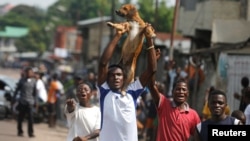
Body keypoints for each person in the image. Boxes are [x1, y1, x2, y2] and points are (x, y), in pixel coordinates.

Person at [97, 24, 157, 141]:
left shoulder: (132, 92)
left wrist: (149, 39)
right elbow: (103, 64)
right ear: (107, 79)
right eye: (112, 75)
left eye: (119, 75)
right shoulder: (104, 91)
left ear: (124, 78)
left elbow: (152, 70)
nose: (115, 78)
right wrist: (118, 35)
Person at [148, 76, 200, 141]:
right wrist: (152, 70)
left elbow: (198, 136)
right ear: (172, 92)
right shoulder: (164, 104)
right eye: (178, 89)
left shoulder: (193, 115)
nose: (181, 91)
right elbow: (152, 87)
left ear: (188, 93)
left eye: (184, 89)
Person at [12, 66, 37, 137]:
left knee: (31, 119)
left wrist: (35, 102)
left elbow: (35, 93)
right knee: (20, 118)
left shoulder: (34, 81)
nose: (29, 74)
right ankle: (20, 131)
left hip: (30, 102)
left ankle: (30, 133)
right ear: (25, 73)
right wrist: (13, 99)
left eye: (30, 72)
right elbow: (16, 90)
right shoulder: (21, 80)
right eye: (28, 72)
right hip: (22, 101)